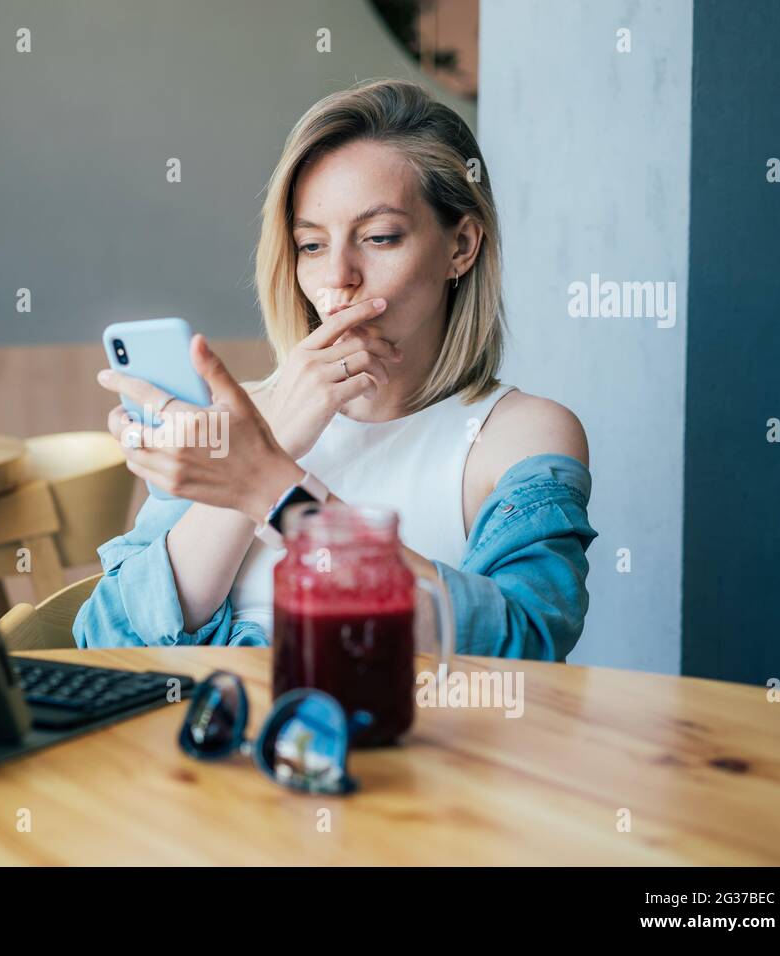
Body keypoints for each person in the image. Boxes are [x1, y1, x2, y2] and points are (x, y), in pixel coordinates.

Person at [75, 79, 596, 659]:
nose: (338, 278)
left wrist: (270, 485)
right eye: (312, 246)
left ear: (462, 246)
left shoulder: (519, 435)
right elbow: (107, 642)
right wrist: (265, 444)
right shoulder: (239, 417)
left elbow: (524, 650)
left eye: (378, 237)